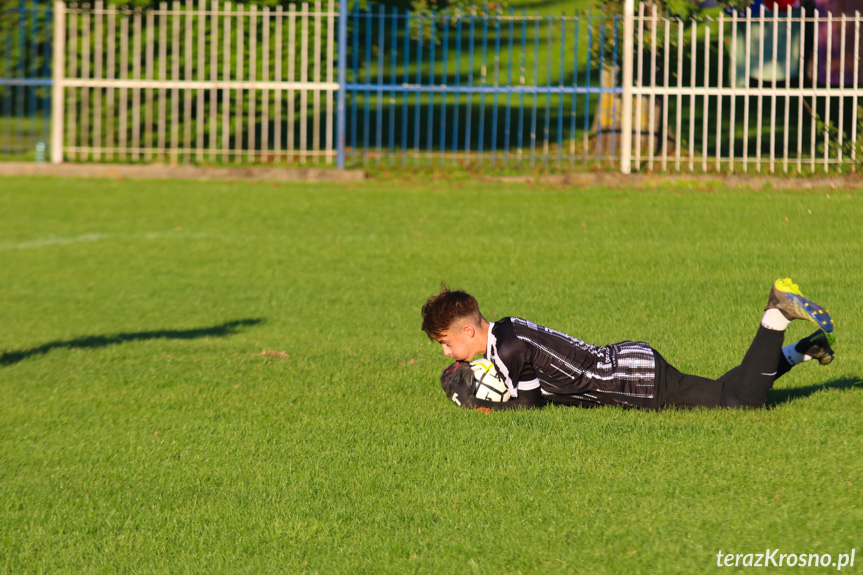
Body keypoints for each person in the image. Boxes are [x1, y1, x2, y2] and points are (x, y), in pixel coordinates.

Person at [421, 279, 835, 411]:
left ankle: (776, 315)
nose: (445, 352)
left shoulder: (509, 351)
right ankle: (799, 351)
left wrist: (484, 406)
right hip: (627, 362)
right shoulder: (506, 332)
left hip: (631, 381)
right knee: (726, 389)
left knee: (741, 402)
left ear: (469, 331)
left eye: (445, 342)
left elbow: (527, 407)